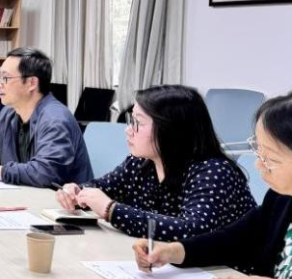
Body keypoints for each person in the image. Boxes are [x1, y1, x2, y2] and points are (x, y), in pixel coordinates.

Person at [135, 90, 292, 279]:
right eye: (258, 151)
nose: (258, 165)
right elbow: (235, 239)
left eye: (270, 159)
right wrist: (174, 251)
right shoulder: (284, 198)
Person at [58, 85, 255, 241]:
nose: (128, 130)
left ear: (171, 130)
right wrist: (77, 192)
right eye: (131, 120)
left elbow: (193, 230)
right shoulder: (140, 162)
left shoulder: (214, 171)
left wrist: (111, 210)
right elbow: (103, 188)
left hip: (226, 272)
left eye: (139, 123)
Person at [0, 47, 93, 187]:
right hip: (26, 195)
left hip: (60, 203)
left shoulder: (55, 118)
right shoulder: (9, 113)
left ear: (32, 83)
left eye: (5, 78)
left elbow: (44, 173)